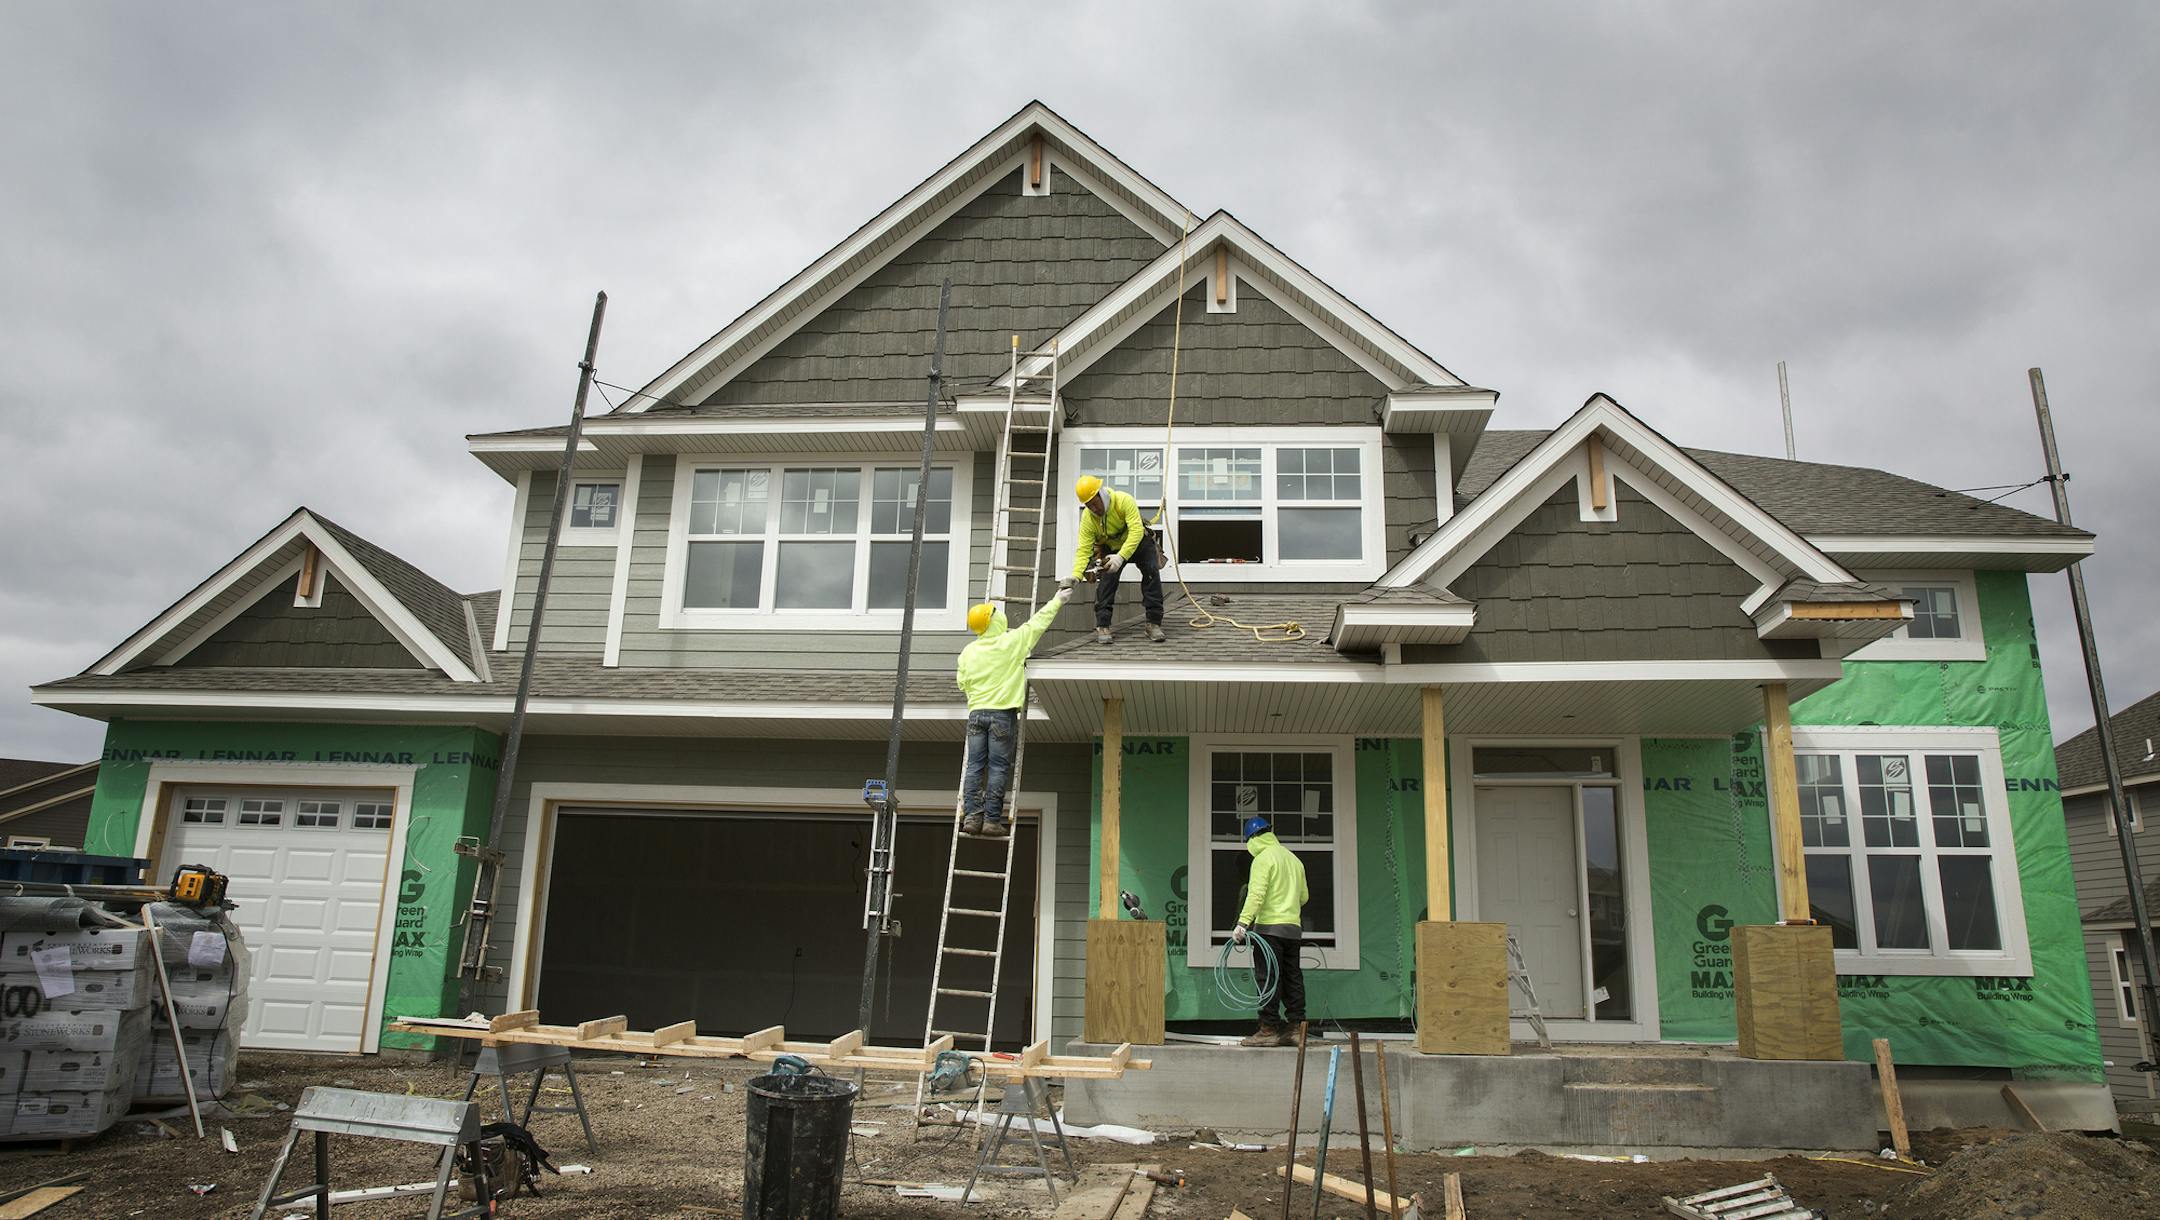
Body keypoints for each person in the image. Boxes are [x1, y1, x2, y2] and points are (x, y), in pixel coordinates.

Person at [954, 582, 1071, 836]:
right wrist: (1057, 600)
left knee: (974, 766)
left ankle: (973, 818)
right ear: (993, 621)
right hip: (1002, 715)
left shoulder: (968, 652)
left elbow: (961, 682)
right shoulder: (1012, 643)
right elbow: (1037, 623)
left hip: (975, 715)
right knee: (997, 767)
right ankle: (992, 821)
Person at [1232, 815, 1309, 1047]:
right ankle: (1297, 1028)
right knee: (1292, 976)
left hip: (1269, 930)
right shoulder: (1294, 860)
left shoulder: (1263, 859)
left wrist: (1242, 923)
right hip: (1293, 929)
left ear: (1253, 838)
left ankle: (1268, 1030)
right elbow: (1304, 897)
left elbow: (1256, 894)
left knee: (1268, 979)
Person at [1071, 475, 1165, 645]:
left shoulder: (1123, 501)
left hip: (1137, 542)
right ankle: (1103, 625)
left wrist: (1121, 557)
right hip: (1111, 546)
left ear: (1102, 494)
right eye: (1088, 505)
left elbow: (1136, 531)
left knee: (1151, 571)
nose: (1093, 508)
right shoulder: (1088, 518)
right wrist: (1075, 576)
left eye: (1094, 502)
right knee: (1107, 580)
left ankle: (1153, 622)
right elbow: (1084, 549)